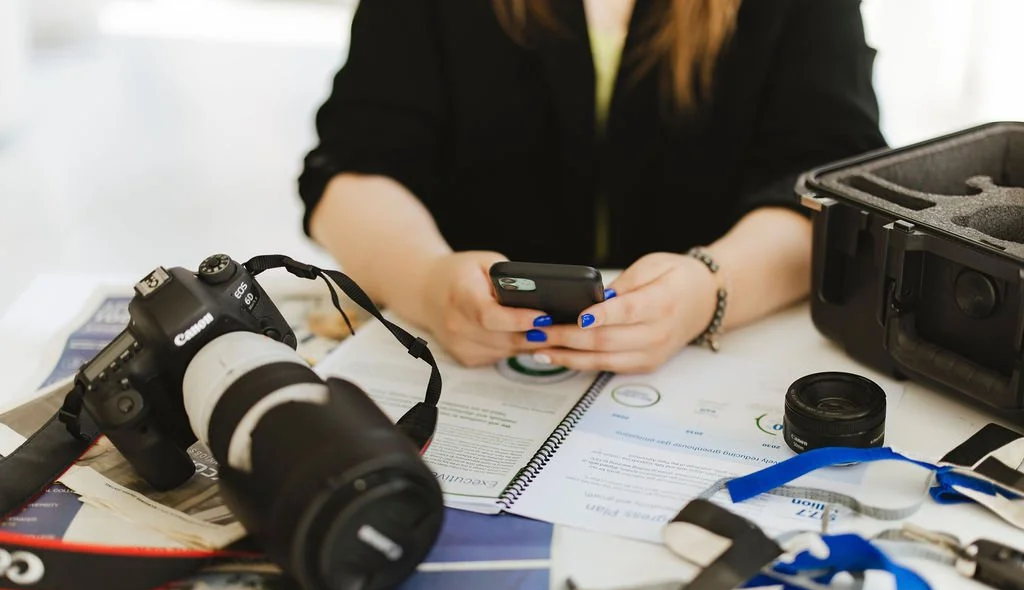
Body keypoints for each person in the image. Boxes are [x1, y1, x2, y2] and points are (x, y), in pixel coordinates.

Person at [299, 0, 885, 373]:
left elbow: (835, 182)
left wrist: (710, 290)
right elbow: (351, 166)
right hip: (470, 365)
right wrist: (426, 283)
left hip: (710, 364)